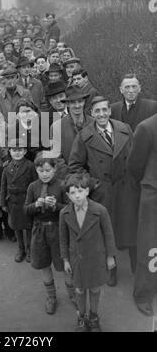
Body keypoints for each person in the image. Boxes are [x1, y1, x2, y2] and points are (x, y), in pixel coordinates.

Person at [68, 96, 139, 286]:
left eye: (104, 110)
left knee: (131, 228)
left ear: (110, 111)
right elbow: (75, 166)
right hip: (103, 191)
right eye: (97, 111)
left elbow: (135, 157)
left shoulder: (125, 129)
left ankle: (136, 268)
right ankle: (112, 269)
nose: (101, 114)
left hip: (126, 190)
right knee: (107, 232)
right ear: (92, 113)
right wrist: (93, 184)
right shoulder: (84, 136)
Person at [59, 173, 117, 332]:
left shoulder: (100, 210)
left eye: (80, 191)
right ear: (67, 195)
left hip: (96, 258)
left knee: (95, 288)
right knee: (79, 289)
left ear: (87, 191)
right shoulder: (64, 213)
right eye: (72, 192)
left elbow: (109, 234)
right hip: (76, 259)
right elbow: (62, 238)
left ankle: (94, 317)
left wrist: (110, 256)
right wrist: (65, 259)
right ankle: (81, 317)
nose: (77, 196)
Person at [24, 155, 66, 315]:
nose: (45, 174)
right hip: (39, 232)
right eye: (41, 171)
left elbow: (68, 209)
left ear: (55, 169)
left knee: (63, 265)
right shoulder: (32, 187)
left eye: (48, 170)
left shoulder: (62, 186)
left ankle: (72, 294)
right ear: (36, 170)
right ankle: (51, 297)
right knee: (44, 265)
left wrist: (56, 206)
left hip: (57, 230)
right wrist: (36, 205)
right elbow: (26, 209)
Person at [128, 113, 157, 317]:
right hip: (153, 194)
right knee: (150, 245)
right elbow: (134, 166)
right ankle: (143, 294)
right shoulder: (147, 127)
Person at [0, 139, 37, 263]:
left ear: (25, 151)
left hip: (26, 201)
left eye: (20, 150)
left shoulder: (30, 166)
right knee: (17, 227)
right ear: (9, 152)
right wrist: (3, 202)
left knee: (28, 227)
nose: (17, 153)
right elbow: (3, 186)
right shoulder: (7, 168)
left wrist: (35, 201)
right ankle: (21, 249)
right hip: (13, 203)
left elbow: (35, 184)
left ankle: (30, 249)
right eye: (14, 150)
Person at [51, 86, 93, 165]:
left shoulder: (94, 123)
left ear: (84, 102)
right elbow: (57, 159)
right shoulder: (57, 127)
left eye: (80, 101)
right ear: (67, 104)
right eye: (73, 102)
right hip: (70, 174)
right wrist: (70, 175)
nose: (77, 105)